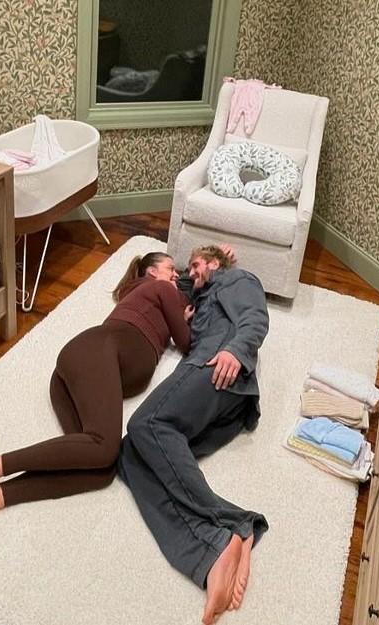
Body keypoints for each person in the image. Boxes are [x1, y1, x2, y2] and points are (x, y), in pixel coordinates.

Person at [0, 251, 195, 559]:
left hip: (74, 370)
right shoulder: (160, 288)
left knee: (101, 469)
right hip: (95, 352)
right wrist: (185, 316)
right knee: (105, 447)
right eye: (171, 268)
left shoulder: (143, 296)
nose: (176, 275)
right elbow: (186, 342)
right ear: (151, 272)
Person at [117, 245, 270, 625]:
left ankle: (234, 522)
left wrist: (237, 350)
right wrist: (193, 281)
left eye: (197, 265)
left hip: (218, 365)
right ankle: (210, 551)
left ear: (215, 264)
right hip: (215, 393)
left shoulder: (235, 278)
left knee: (144, 425)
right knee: (129, 454)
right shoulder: (199, 293)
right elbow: (174, 279)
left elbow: (255, 315)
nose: (189, 272)